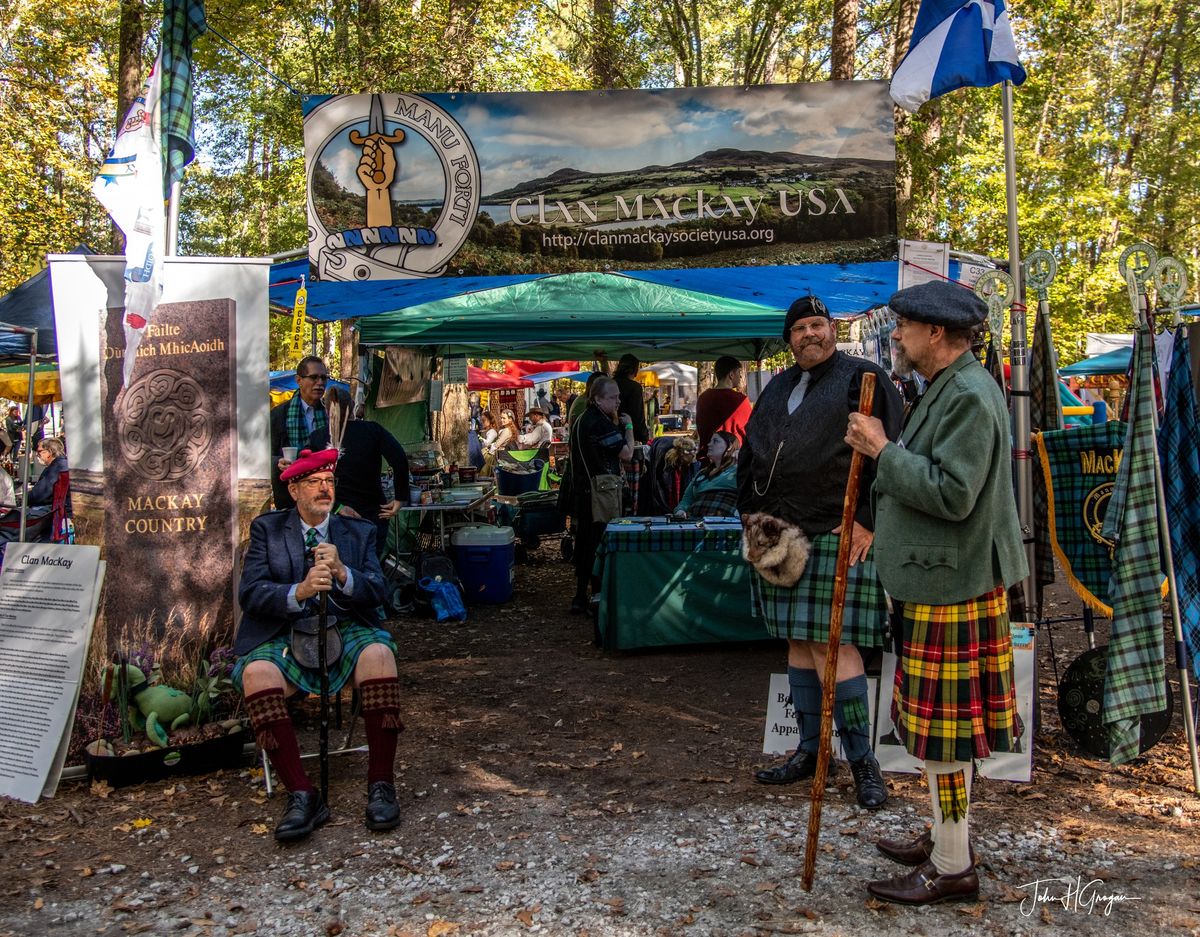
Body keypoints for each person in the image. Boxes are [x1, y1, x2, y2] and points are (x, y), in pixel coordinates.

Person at [844, 280, 1026, 906]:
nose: (896, 335)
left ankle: (952, 867)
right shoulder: (951, 386)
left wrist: (882, 450)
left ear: (938, 335)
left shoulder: (970, 395)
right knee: (938, 730)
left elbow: (953, 494)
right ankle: (949, 838)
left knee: (943, 736)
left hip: (954, 584)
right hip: (941, 579)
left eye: (905, 326)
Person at [737, 294, 902, 810]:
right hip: (776, 532)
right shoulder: (777, 387)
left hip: (835, 531)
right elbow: (751, 450)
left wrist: (869, 522)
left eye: (817, 324)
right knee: (797, 642)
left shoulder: (863, 378)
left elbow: (891, 451)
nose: (809, 334)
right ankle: (810, 752)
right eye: (799, 329)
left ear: (831, 329)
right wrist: (748, 512)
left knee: (838, 648)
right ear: (789, 340)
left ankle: (863, 764)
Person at [234, 448, 401, 843]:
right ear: (293, 489)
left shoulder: (357, 531)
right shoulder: (267, 530)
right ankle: (301, 793)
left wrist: (345, 573)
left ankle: (381, 785)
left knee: (379, 655)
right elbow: (251, 593)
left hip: (344, 625)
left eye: (329, 482)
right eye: (314, 483)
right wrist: (300, 590)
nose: (324, 489)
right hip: (285, 631)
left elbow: (379, 591)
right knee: (257, 674)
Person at [307, 387, 410, 559]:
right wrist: (400, 497)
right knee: (371, 569)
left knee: (337, 570)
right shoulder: (372, 431)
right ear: (353, 406)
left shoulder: (318, 437)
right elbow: (399, 459)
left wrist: (338, 507)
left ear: (326, 409)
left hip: (333, 514)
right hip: (370, 514)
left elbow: (308, 478)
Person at [566, 376, 633, 614]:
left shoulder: (582, 420)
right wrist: (629, 427)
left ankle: (582, 596)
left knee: (586, 543)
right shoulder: (599, 422)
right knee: (598, 542)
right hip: (601, 491)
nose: (618, 401)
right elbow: (626, 453)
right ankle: (596, 596)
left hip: (584, 490)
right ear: (597, 399)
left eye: (618, 396)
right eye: (612, 397)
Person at [269, 356, 328, 510]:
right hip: (290, 497)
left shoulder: (331, 414)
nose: (320, 383)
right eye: (314, 377)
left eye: (323, 377)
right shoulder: (279, 414)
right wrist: (278, 462)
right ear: (299, 380)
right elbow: (262, 456)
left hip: (325, 495)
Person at [674, 430, 740, 518]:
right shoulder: (701, 474)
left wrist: (745, 459)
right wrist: (680, 510)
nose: (709, 444)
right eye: (710, 441)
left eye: (715, 441)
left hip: (725, 525)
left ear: (729, 446)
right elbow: (686, 500)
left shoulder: (739, 471)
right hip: (695, 524)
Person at [695, 356, 753, 457]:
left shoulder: (703, 398)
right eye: (739, 372)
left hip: (707, 458)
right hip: (731, 462)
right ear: (731, 375)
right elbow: (750, 431)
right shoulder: (740, 400)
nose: (740, 377)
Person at [613, 354, 650, 444]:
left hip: (611, 433)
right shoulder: (634, 387)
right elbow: (638, 415)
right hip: (631, 435)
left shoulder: (610, 383)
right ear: (634, 369)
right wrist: (643, 437)